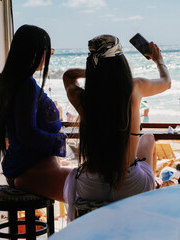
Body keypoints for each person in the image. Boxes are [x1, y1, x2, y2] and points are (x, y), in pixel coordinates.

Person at [63, 34, 171, 221]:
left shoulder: (83, 98)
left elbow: (69, 75)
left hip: (90, 186)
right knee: (148, 138)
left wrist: (98, 75)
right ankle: (149, 204)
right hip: (130, 185)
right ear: (121, 63)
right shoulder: (135, 87)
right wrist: (158, 60)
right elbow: (166, 82)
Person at [0, 25, 71, 201]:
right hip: (35, 169)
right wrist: (61, 140)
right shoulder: (26, 85)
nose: (48, 57)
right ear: (35, 53)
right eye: (48, 52)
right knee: (96, 191)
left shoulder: (3, 82)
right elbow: (27, 133)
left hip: (18, 165)